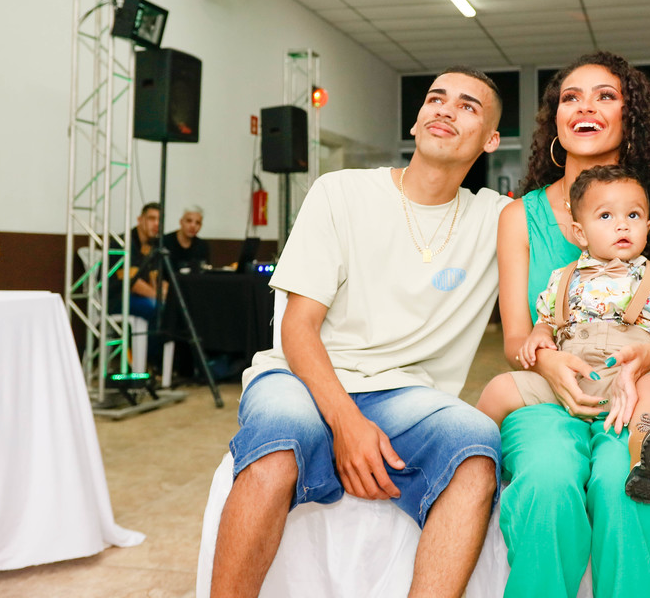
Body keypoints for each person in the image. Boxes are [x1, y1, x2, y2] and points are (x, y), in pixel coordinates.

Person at [210, 68, 510, 597]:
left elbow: (587, 205)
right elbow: (298, 326)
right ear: (416, 121)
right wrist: (347, 422)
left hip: (406, 394)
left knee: (477, 444)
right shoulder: (341, 191)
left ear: (490, 140)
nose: (445, 109)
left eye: (467, 106)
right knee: (280, 439)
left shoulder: (499, 219)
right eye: (435, 98)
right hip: (301, 376)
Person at [496, 51, 650, 598]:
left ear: (631, 116)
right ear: (555, 120)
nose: (585, 107)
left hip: (638, 392)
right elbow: (515, 339)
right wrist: (548, 363)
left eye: (605, 96)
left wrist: (644, 361)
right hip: (553, 392)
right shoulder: (519, 216)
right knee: (547, 482)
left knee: (621, 484)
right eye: (570, 98)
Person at [478, 166, 650, 505]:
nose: (622, 225)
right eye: (605, 216)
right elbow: (547, 320)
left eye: (633, 215)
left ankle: (648, 461)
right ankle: (474, 455)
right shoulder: (563, 278)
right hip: (568, 379)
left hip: (626, 381)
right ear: (580, 233)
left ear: (647, 228)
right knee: (500, 388)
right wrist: (539, 335)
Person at [109, 202, 165, 321]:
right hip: (117, 297)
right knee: (157, 308)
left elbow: (155, 278)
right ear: (140, 220)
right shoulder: (122, 243)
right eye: (151, 219)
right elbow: (133, 283)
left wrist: (166, 295)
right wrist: (158, 296)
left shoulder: (154, 244)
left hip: (141, 297)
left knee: (170, 307)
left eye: (160, 220)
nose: (156, 224)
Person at [164, 205, 210, 271]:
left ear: (201, 226)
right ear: (181, 222)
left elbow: (205, 271)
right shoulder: (165, 242)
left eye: (197, 223)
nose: (193, 226)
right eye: (189, 221)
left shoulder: (202, 246)